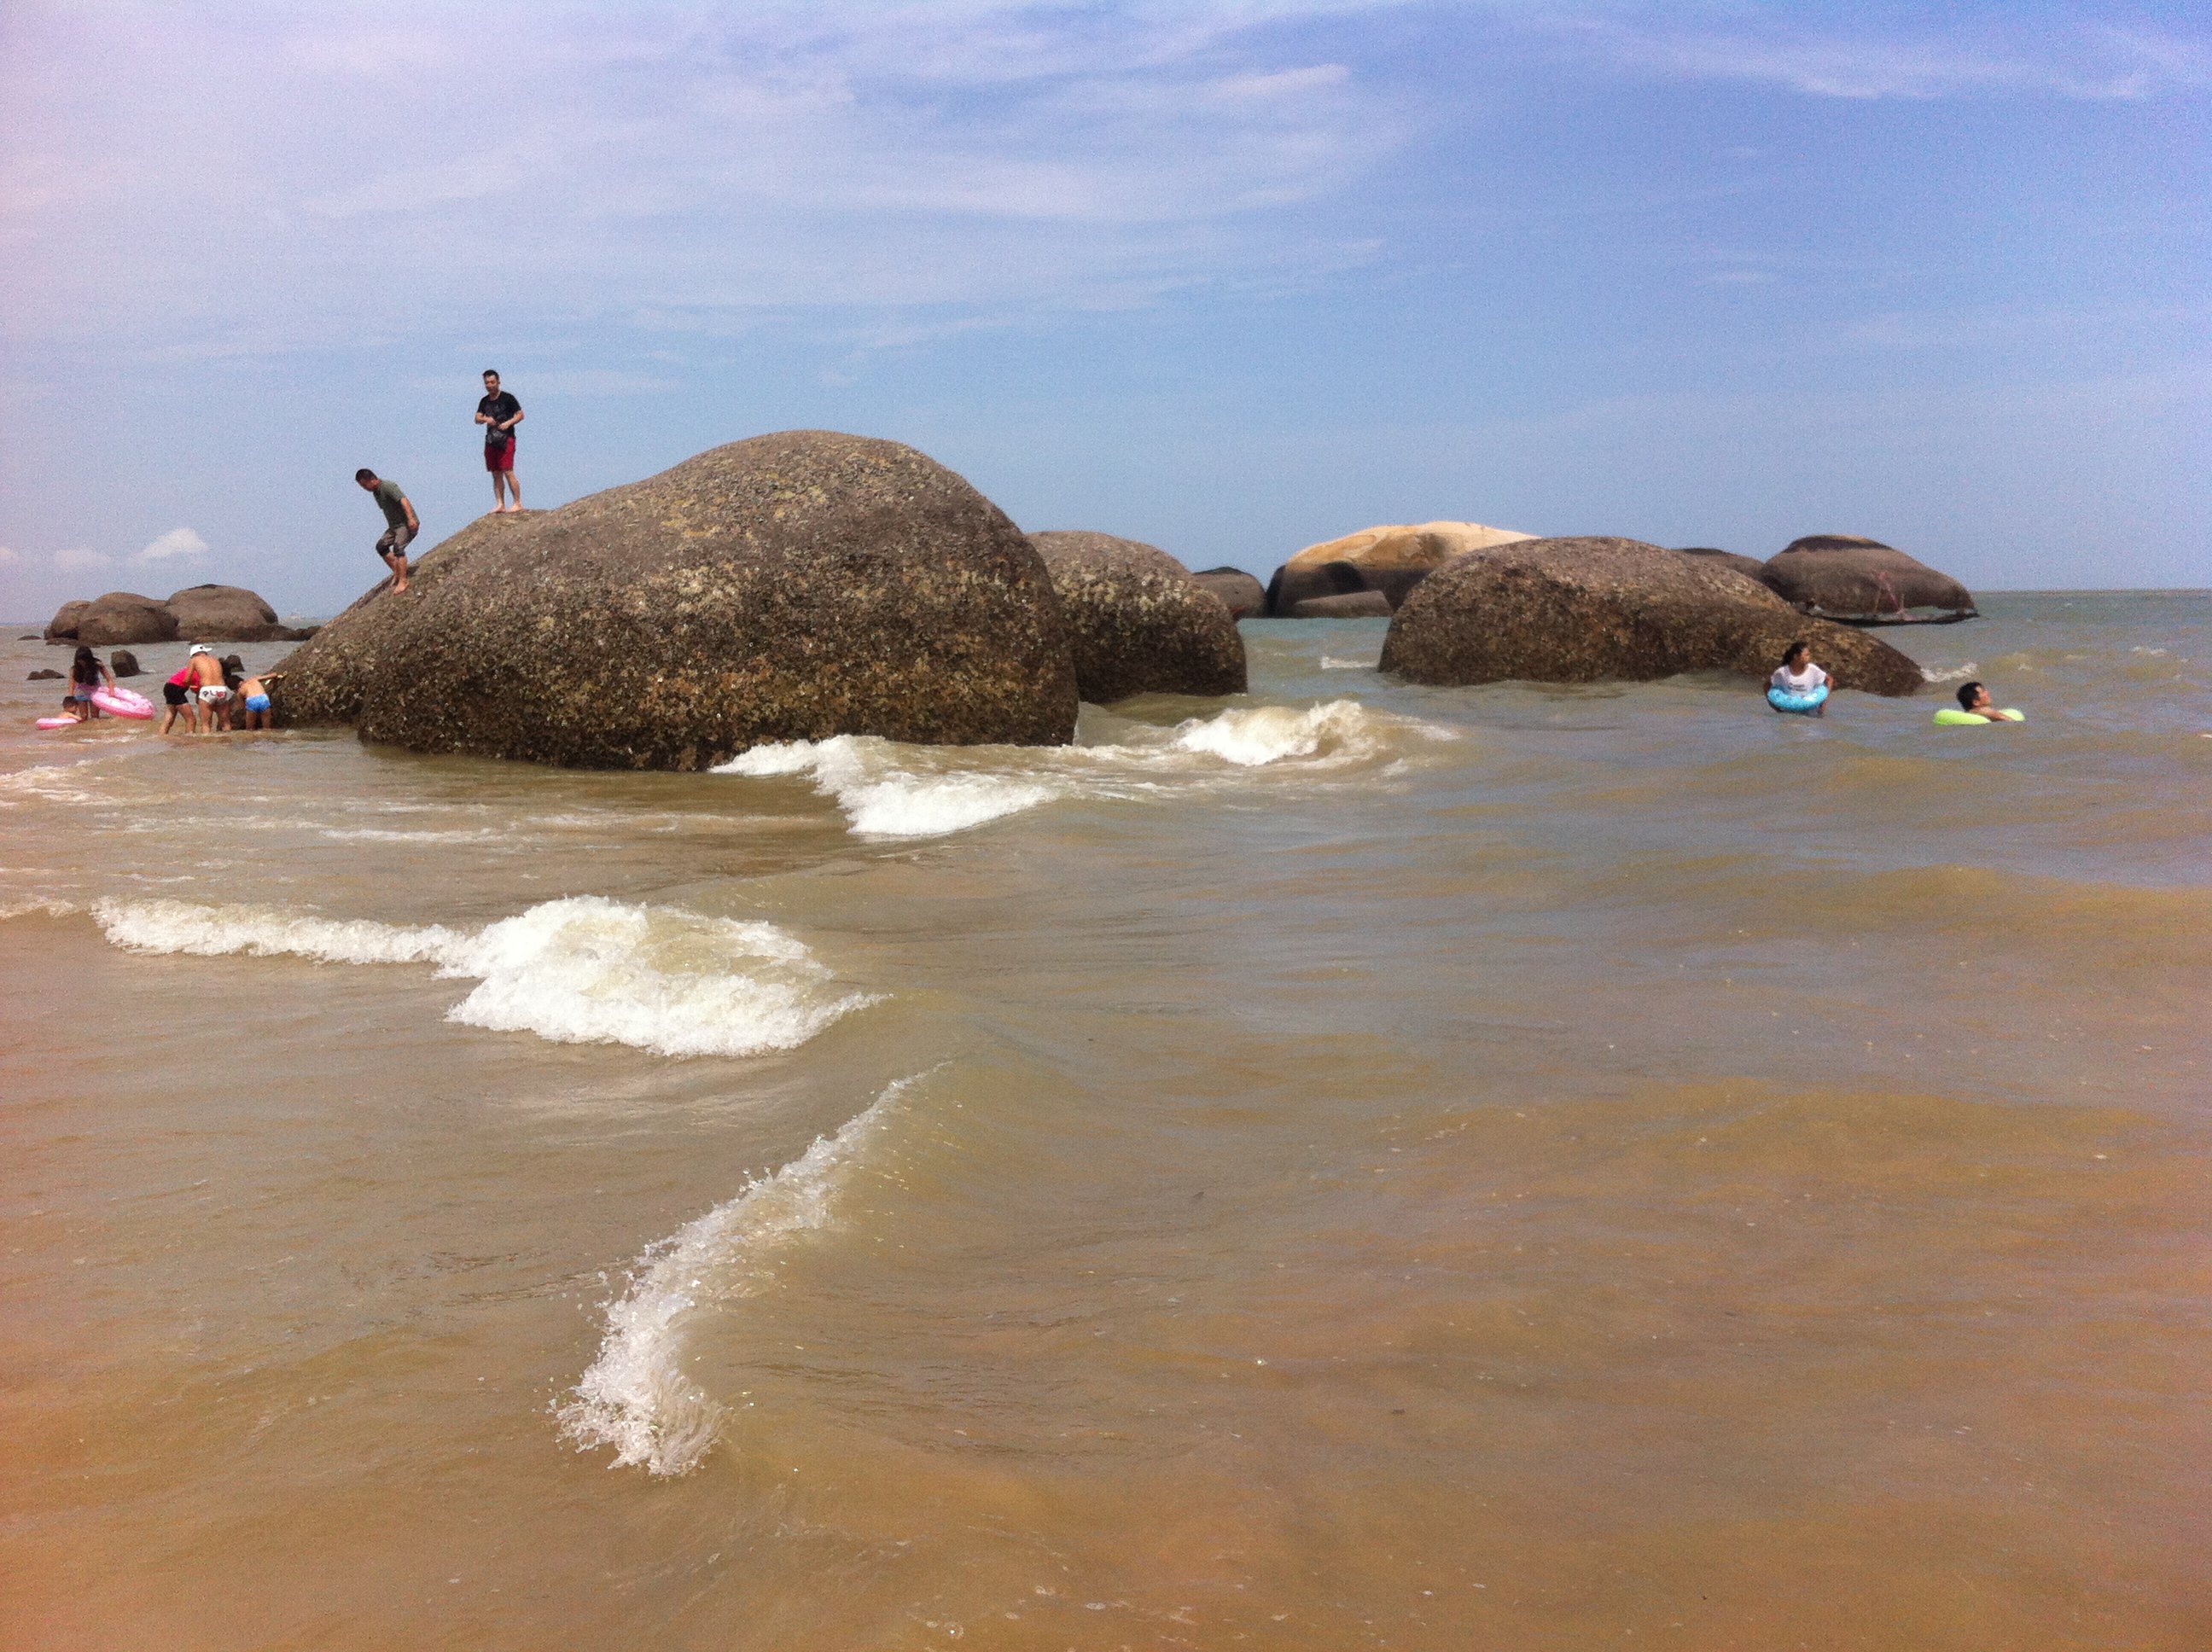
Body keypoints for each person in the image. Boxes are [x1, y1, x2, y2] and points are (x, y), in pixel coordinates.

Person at [357, 468, 418, 592]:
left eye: (365, 485)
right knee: (381, 547)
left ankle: (403, 581)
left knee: (398, 548)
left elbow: (404, 501)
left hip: (405, 524)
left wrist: (411, 519)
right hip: (394, 527)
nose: (365, 488)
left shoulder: (388, 486)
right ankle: (397, 571)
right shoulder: (376, 493)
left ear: (372, 479)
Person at [475, 369, 524, 514]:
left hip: (506, 438)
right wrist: (486, 419)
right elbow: (477, 418)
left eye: (492, 382)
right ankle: (500, 503)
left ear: (498, 382)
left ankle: (517, 503)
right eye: (487, 383)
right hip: (491, 440)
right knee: (496, 472)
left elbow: (521, 415)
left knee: (508, 470)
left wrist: (509, 423)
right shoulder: (484, 401)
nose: (489, 385)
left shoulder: (508, 398)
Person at [1767, 640, 1831, 716]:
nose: (1809, 657)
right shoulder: (1782, 672)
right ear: (1796, 656)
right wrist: (1774, 706)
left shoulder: (1813, 670)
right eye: (1806, 655)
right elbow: (1767, 686)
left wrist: (1824, 702)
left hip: (1810, 714)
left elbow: (1829, 679)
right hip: (1788, 714)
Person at [183, 643, 232, 732]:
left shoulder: (194, 660)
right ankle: (227, 742)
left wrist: (193, 686)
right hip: (221, 689)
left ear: (193, 654)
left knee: (206, 724)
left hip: (207, 690)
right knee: (226, 723)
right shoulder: (215, 659)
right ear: (205, 652)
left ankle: (208, 744)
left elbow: (187, 680)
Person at [66, 645, 114, 722]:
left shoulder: (97, 665)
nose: (81, 662)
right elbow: (72, 684)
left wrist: (111, 692)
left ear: (88, 659)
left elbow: (109, 679)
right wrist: (71, 697)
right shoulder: (75, 669)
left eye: (83, 660)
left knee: (95, 717)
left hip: (95, 692)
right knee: (84, 717)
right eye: (79, 660)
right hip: (81, 693)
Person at [1946, 681, 2023, 724]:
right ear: (1976, 702)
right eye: (1983, 692)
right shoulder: (1984, 711)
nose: (1988, 693)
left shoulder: (1968, 714)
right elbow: (2011, 722)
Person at [160, 659, 201, 734]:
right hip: (176, 689)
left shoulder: (189, 670)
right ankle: (189, 738)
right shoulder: (198, 673)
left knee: (169, 716)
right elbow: (197, 690)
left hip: (168, 687)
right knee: (191, 719)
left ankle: (162, 735)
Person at [236, 666, 279, 730]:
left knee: (249, 729)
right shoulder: (254, 679)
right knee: (267, 729)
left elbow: (243, 707)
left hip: (252, 700)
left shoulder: (240, 692)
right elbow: (274, 674)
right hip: (263, 698)